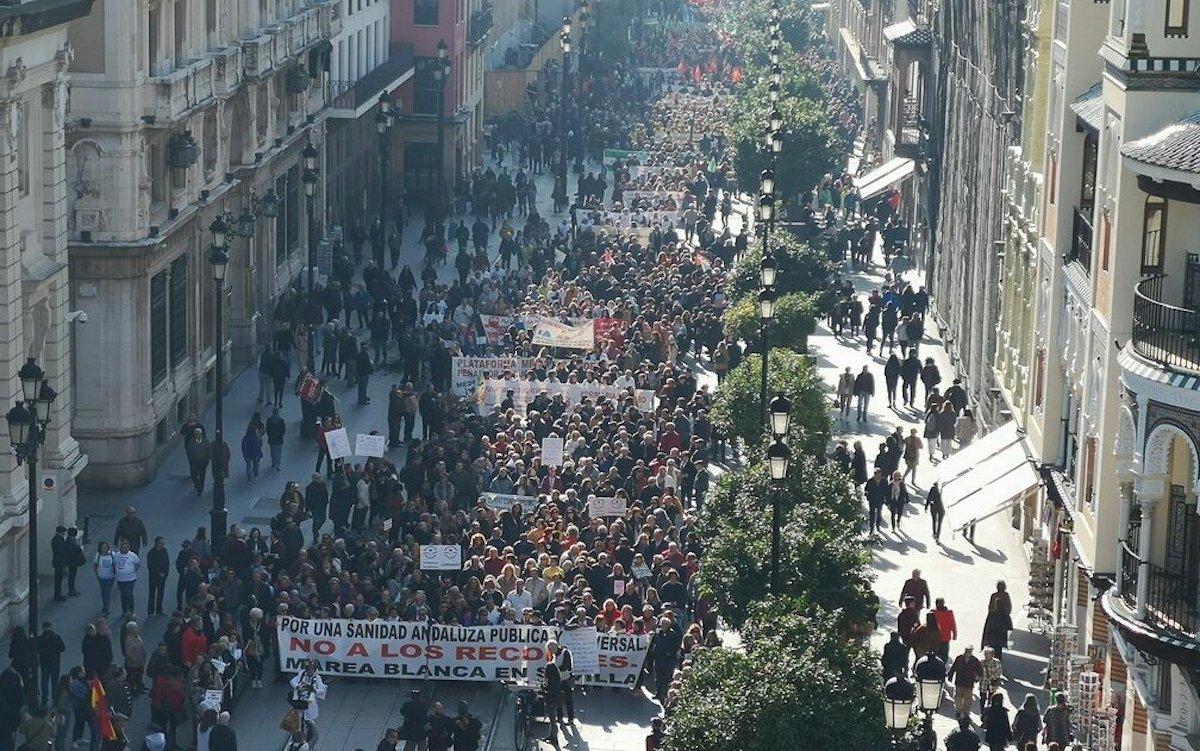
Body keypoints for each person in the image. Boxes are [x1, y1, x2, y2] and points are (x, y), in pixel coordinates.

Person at [288, 661, 326, 746]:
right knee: (297, 720)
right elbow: (293, 681)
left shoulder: (317, 678)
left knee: (310, 722)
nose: (310, 671)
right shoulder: (302, 674)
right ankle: (297, 738)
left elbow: (322, 689)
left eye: (312, 669)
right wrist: (298, 687)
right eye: (309, 669)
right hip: (300, 701)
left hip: (310, 703)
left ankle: (309, 740)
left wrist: (313, 690)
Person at [946, 645, 983, 719]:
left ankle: (966, 713)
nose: (968, 653)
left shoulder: (975, 660)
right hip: (959, 681)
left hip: (969, 683)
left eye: (969, 651)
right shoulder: (959, 658)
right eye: (967, 651)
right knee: (958, 698)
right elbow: (953, 668)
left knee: (967, 700)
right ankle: (958, 711)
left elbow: (980, 671)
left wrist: (977, 678)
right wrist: (950, 676)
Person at [37, 622, 65, 705]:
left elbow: (36, 649)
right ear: (51, 627)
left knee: (44, 682)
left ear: (43, 628)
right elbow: (62, 648)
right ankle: (55, 700)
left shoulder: (40, 639)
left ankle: (44, 700)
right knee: (54, 682)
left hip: (44, 663)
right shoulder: (56, 637)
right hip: (55, 662)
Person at [548, 640, 574, 723]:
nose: (550, 652)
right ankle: (560, 716)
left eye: (551, 650)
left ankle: (571, 718)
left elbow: (567, 666)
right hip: (558, 679)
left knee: (568, 699)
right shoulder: (554, 654)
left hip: (566, 679)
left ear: (555, 647)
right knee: (557, 698)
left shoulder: (565, 652)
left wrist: (554, 669)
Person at [112, 538, 140, 615]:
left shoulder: (133, 555)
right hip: (120, 579)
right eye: (122, 547)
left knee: (129, 594)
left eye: (126, 546)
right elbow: (114, 565)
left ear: (128, 547)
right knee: (123, 595)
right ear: (120, 547)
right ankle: (124, 610)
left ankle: (131, 609)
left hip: (130, 579)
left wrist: (131, 571)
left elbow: (137, 565)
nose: (124, 548)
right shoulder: (116, 555)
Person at [146, 536, 169, 618]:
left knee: (160, 594)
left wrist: (166, 574)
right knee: (152, 594)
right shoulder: (151, 553)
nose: (163, 545)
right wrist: (159, 573)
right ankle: (150, 611)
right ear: (157, 543)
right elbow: (151, 567)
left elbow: (167, 563)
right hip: (153, 577)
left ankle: (159, 610)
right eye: (161, 543)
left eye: (163, 543)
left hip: (162, 577)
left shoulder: (164, 551)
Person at [93, 541, 116, 616]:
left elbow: (115, 563)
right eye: (102, 547)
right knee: (104, 592)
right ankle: (105, 606)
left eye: (105, 547)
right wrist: (97, 573)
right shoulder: (98, 555)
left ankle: (106, 609)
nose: (104, 549)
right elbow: (95, 564)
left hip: (110, 577)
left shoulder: (112, 554)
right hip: (101, 577)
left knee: (107, 592)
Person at [932, 598, 958, 663]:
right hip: (943, 637)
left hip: (937, 638)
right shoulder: (948, 613)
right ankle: (942, 667)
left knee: (938, 654)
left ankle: (939, 667)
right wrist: (955, 634)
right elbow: (953, 624)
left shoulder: (933, 612)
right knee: (944, 654)